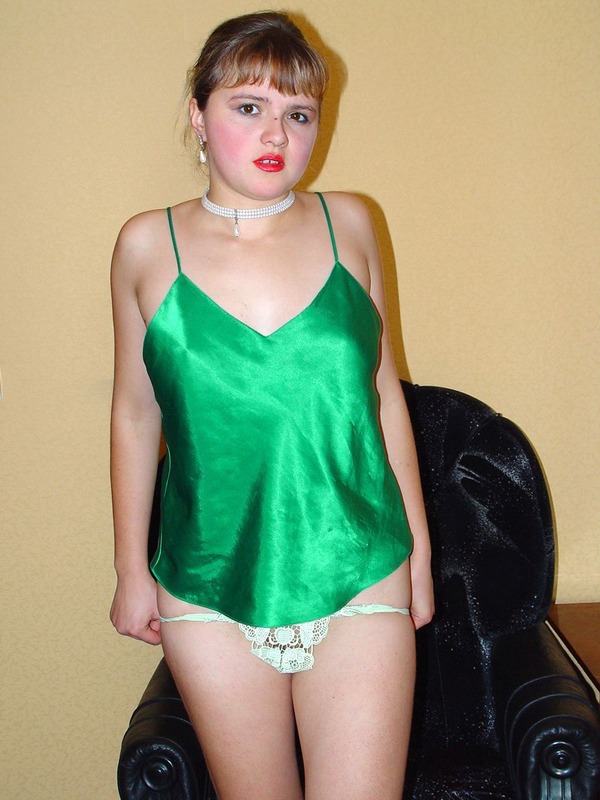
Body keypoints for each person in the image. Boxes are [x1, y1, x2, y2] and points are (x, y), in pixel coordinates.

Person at [110, 11, 434, 800]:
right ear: (199, 115)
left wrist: (420, 556)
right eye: (248, 107)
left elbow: (384, 397)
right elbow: (134, 415)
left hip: (360, 567)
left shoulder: (351, 223)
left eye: (299, 114)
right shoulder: (145, 246)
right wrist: (128, 570)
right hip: (209, 583)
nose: (277, 134)